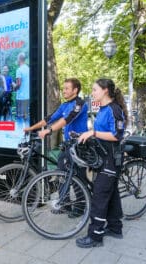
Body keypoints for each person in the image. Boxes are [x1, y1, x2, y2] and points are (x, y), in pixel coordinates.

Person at [75, 78, 127, 248]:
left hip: (111, 160)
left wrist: (93, 133)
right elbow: (100, 133)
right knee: (110, 193)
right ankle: (115, 228)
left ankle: (95, 236)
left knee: (99, 195)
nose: (92, 92)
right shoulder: (104, 109)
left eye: (95, 89)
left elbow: (117, 135)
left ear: (105, 90)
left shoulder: (114, 109)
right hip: (104, 158)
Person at [25, 78, 88, 216]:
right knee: (61, 173)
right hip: (67, 145)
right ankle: (64, 203)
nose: (63, 91)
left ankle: (81, 205)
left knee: (78, 175)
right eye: (63, 88)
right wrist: (31, 128)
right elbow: (49, 119)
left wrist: (48, 131)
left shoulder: (80, 104)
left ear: (75, 90)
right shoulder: (64, 105)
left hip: (79, 146)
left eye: (66, 88)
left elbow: (67, 120)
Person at [14, 52, 30, 121]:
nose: (17, 60)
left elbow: (19, 84)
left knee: (19, 118)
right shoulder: (28, 69)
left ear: (19, 59)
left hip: (20, 97)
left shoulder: (19, 70)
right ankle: (27, 131)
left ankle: (20, 131)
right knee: (26, 117)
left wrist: (14, 87)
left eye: (17, 59)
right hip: (27, 96)